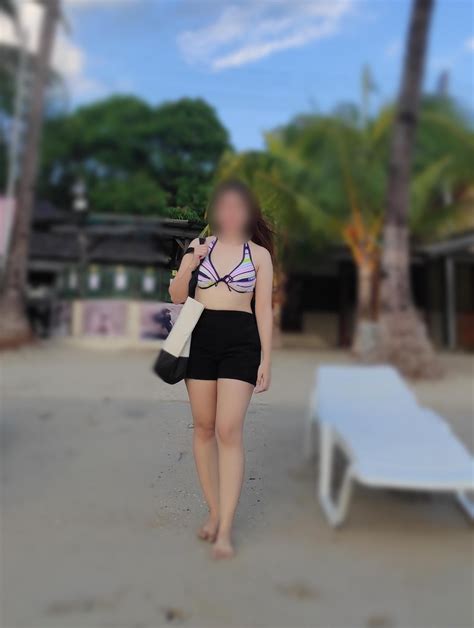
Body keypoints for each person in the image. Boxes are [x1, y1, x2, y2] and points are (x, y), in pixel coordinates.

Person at [169, 180, 274, 559]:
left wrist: (266, 358)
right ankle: (214, 512)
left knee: (228, 429)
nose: (230, 214)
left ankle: (225, 529)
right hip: (199, 337)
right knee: (204, 427)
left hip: (241, 341)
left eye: (237, 207)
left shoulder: (259, 255)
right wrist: (188, 264)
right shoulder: (200, 246)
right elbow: (177, 296)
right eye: (223, 206)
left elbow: (263, 309)